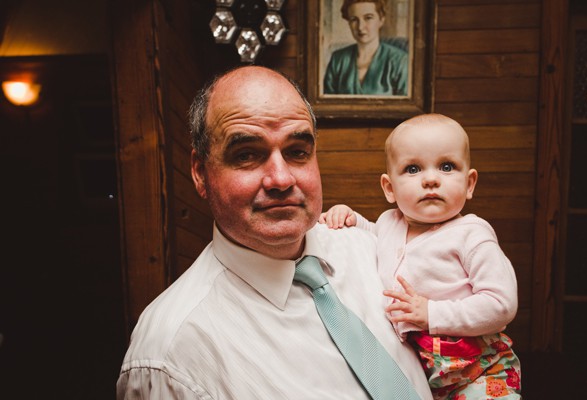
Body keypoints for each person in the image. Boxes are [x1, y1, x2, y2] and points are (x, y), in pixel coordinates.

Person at [116, 66, 432, 399]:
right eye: (247, 155)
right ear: (200, 173)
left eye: (297, 152)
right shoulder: (171, 354)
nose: (281, 179)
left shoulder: (370, 249)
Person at [320, 114, 522, 399]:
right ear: (389, 188)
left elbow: (501, 304)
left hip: (479, 370)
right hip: (422, 373)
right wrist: (349, 217)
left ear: (469, 183)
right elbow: (372, 236)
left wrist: (431, 312)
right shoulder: (389, 223)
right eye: (413, 169)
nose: (430, 179)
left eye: (447, 166)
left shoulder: (472, 235)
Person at [324, 0, 408, 96]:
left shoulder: (400, 61)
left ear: (381, 19)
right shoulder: (337, 59)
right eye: (354, 19)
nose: (360, 27)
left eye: (368, 18)